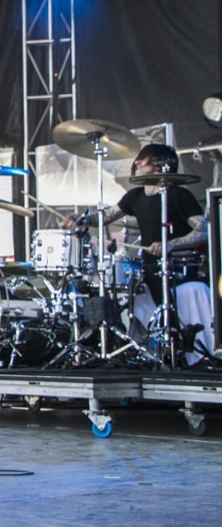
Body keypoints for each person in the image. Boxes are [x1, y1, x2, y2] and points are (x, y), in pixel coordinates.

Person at [61, 144, 214, 365]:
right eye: (139, 160)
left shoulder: (179, 195)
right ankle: (147, 358)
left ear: (162, 166)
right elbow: (105, 217)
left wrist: (170, 244)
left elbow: (203, 230)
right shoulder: (134, 196)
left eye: (145, 161)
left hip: (177, 271)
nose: (138, 164)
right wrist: (79, 219)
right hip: (149, 270)